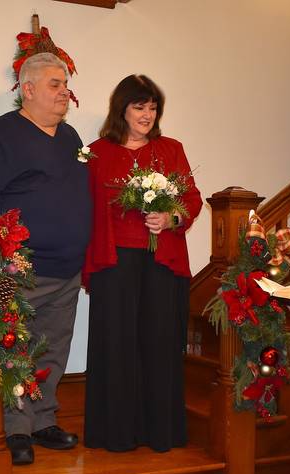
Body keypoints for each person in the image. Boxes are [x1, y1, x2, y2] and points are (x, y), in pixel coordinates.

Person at [0, 52, 91, 465]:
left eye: (66, 84)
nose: (64, 92)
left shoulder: (70, 139)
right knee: (14, 350)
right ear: (28, 90)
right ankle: (15, 429)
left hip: (67, 269)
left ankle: (43, 421)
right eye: (55, 84)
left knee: (53, 348)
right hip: (19, 270)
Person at [82, 74, 202, 452]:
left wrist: (171, 219)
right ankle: (114, 434)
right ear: (122, 108)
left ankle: (160, 432)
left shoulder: (171, 149)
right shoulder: (95, 152)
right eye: (139, 106)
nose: (147, 114)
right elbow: (83, 209)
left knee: (159, 342)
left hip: (161, 261)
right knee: (116, 346)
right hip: (113, 261)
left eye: (152, 108)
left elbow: (193, 199)